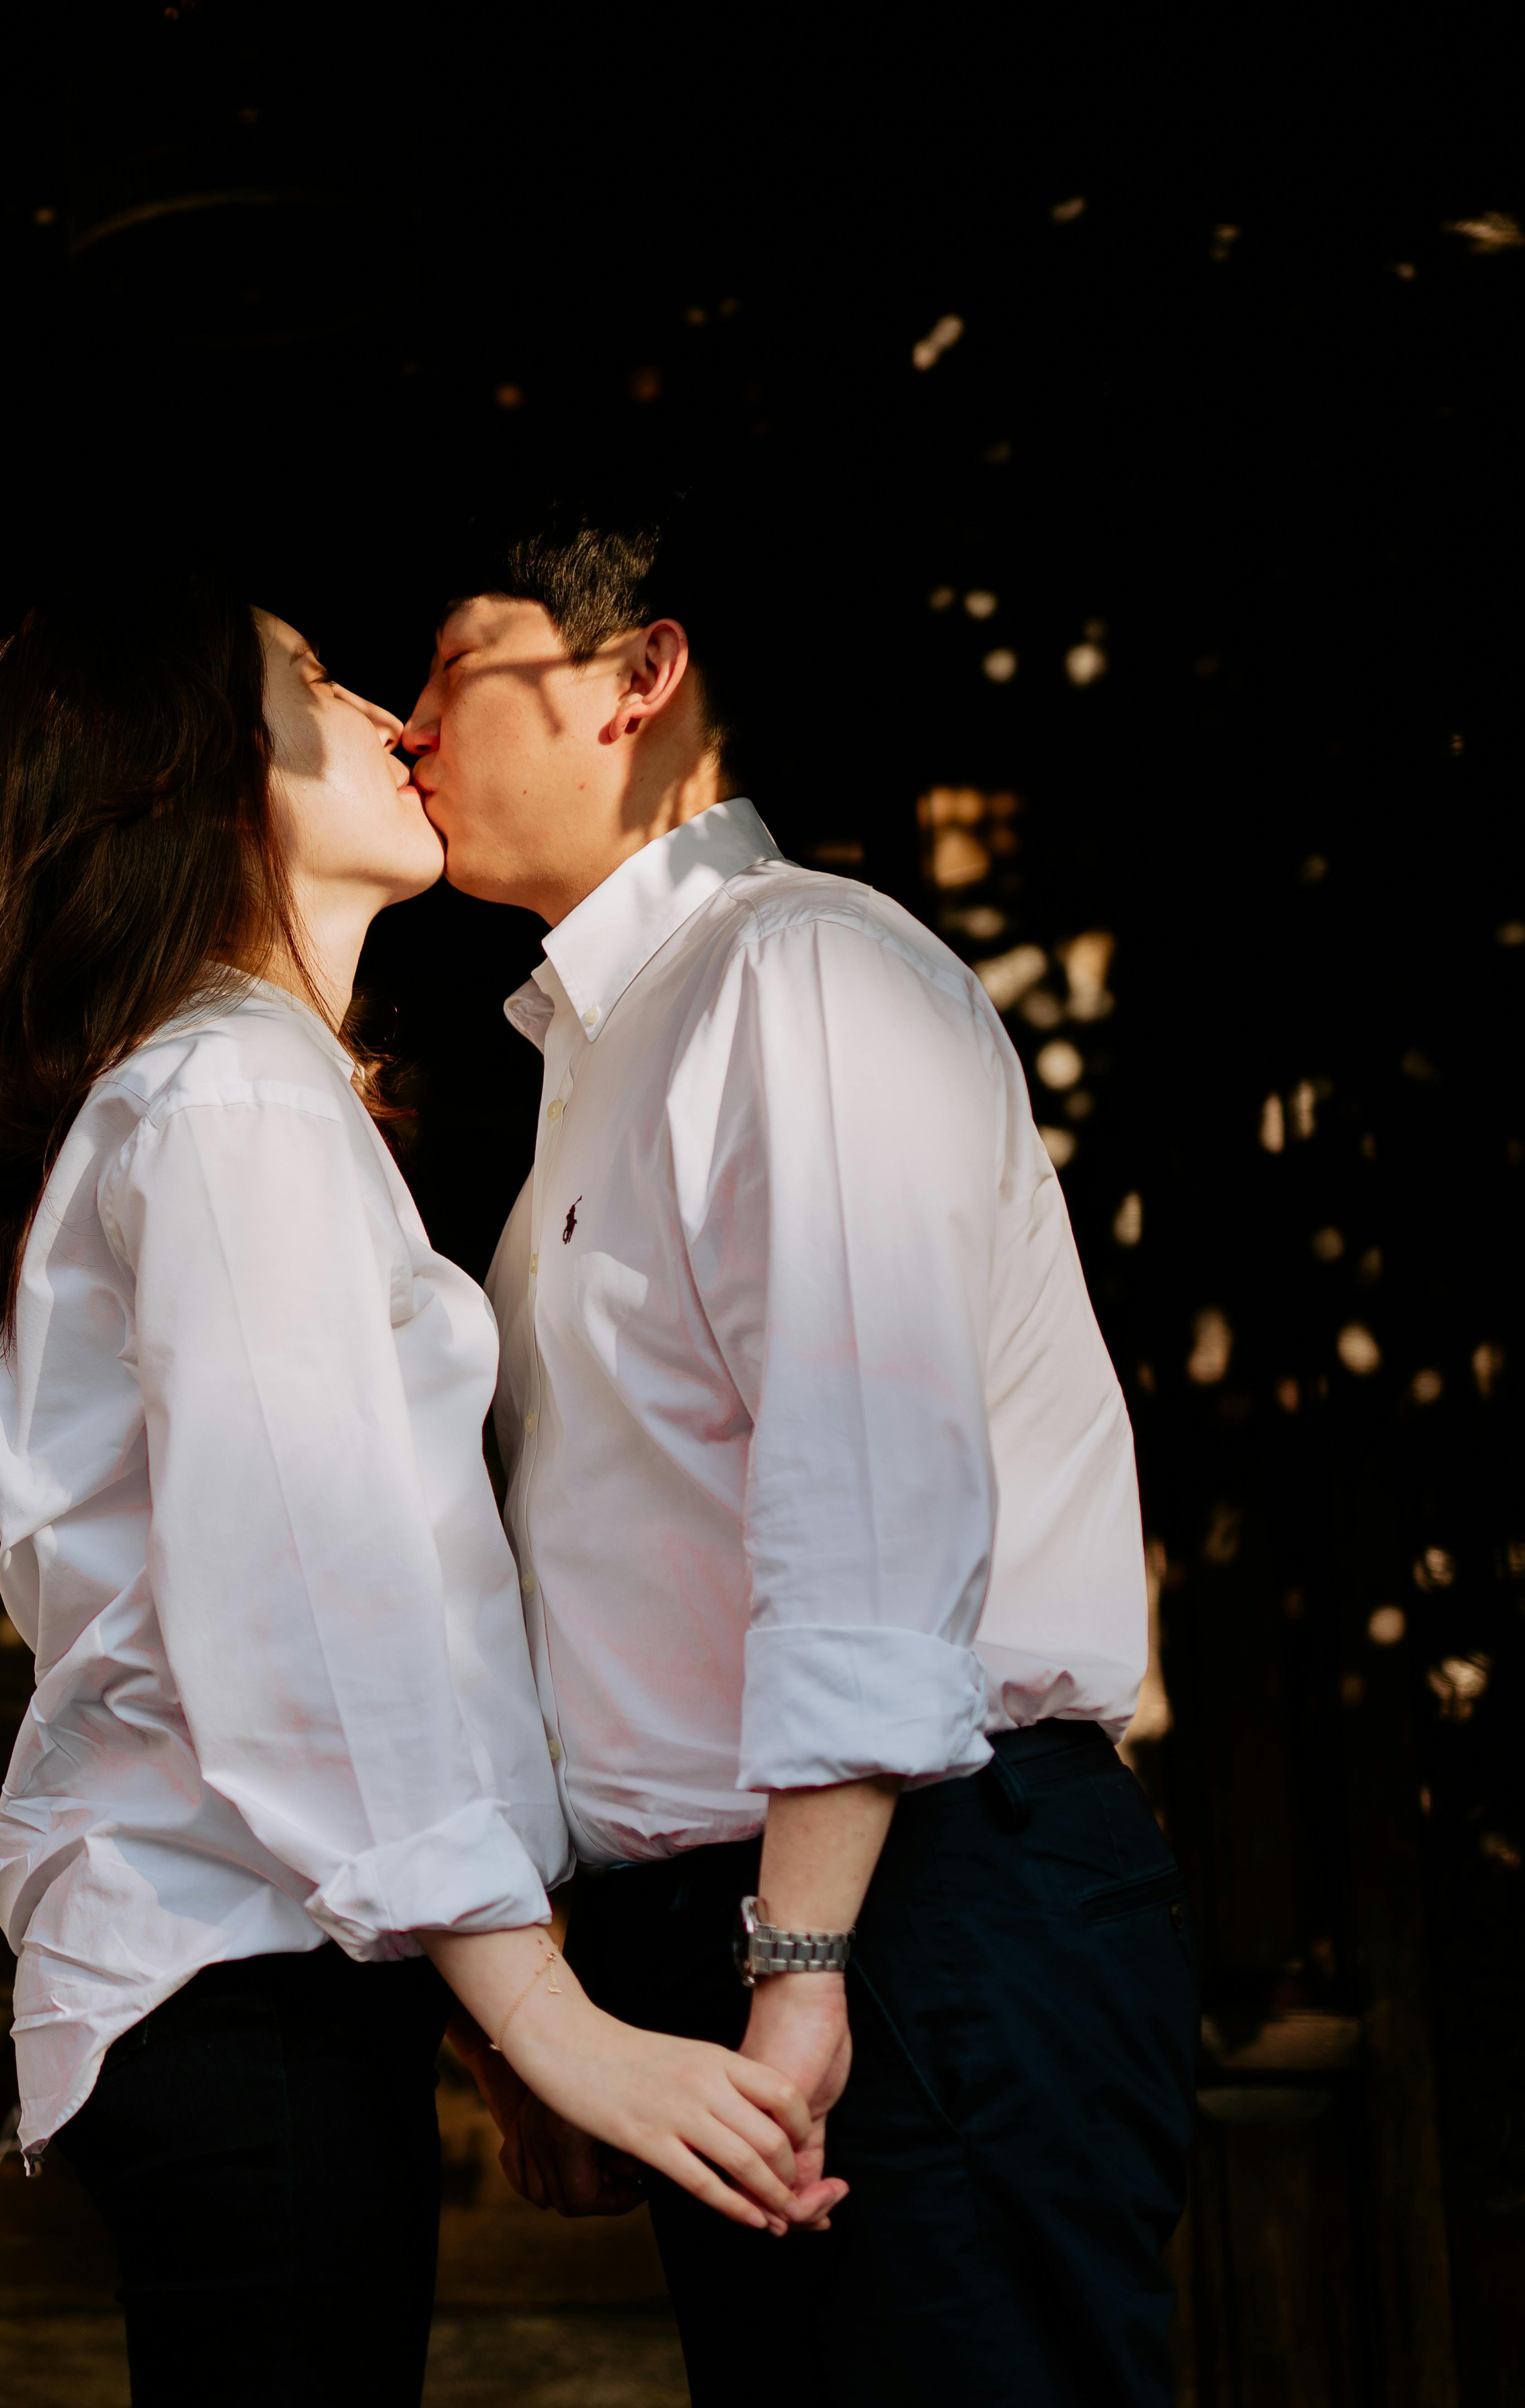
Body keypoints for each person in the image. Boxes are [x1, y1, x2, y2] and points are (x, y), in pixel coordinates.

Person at [0, 575, 838, 2408]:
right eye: (313, 688)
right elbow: (308, 1599)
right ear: (186, 782)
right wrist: (546, 2021)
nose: (395, 723)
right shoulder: (226, 1098)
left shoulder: (235, 1097)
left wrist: (481, 2023)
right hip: (236, 1986)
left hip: (275, 1982)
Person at [400, 504, 1194, 2408]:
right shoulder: (599, 1067)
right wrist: (580, 2006)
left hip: (915, 1911)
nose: (411, 728)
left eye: (447, 672)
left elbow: (861, 1488)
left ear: (636, 680)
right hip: (764, 1925)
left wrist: (799, 1958)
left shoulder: (800, 973)